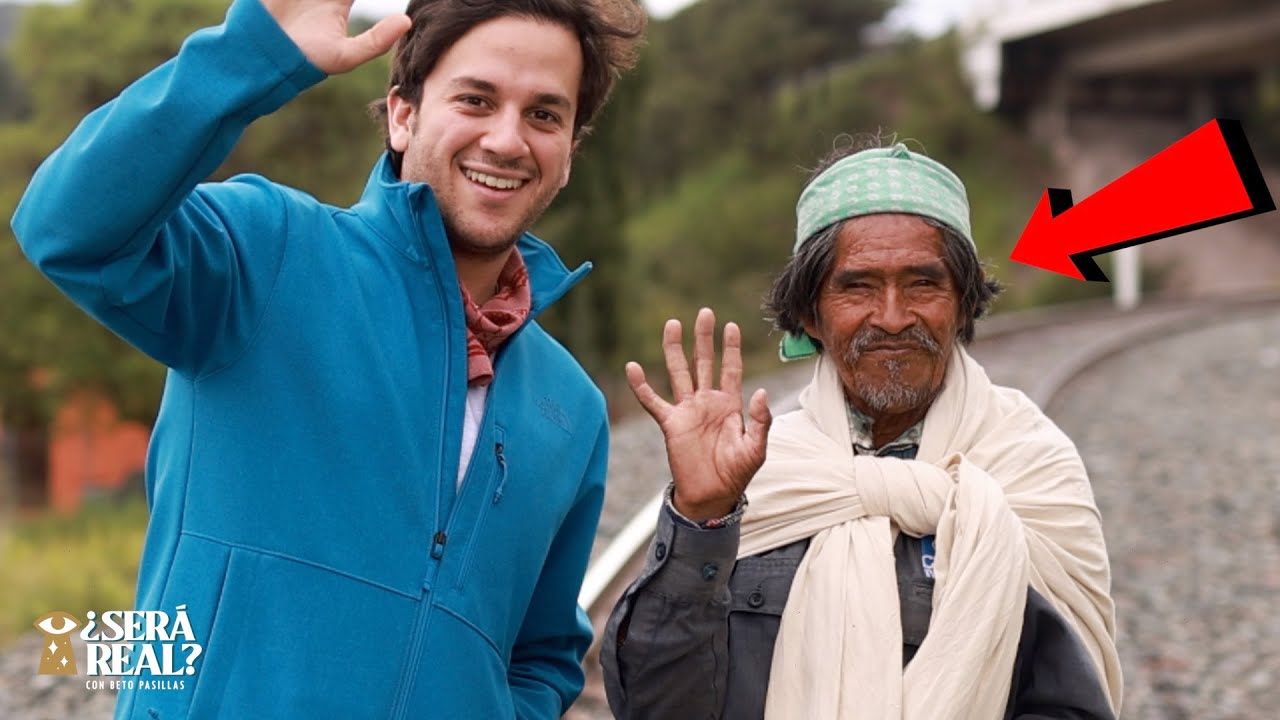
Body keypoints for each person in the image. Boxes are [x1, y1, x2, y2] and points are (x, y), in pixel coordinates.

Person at [11, 0, 643, 717]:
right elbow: (67, 229)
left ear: (567, 155)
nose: (506, 139)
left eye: (544, 115)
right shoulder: (267, 252)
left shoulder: (573, 409)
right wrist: (250, 55)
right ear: (403, 115)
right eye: (476, 99)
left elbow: (543, 657)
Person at [601, 137, 1124, 719]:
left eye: (924, 284)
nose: (894, 317)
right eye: (858, 286)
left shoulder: (1026, 465)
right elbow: (656, 708)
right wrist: (701, 519)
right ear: (809, 313)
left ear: (964, 304)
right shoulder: (761, 476)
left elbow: (1072, 704)